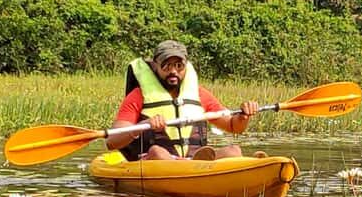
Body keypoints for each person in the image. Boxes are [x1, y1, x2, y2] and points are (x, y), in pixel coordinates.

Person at [105, 40, 258, 160]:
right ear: (155, 66)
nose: (173, 71)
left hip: (193, 161)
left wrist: (243, 116)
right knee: (157, 152)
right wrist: (143, 125)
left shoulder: (199, 94)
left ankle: (199, 168)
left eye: (179, 66)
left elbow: (233, 126)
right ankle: (191, 171)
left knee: (234, 150)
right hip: (154, 161)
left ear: (186, 66)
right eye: (167, 65)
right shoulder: (138, 96)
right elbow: (112, 141)